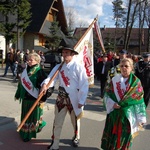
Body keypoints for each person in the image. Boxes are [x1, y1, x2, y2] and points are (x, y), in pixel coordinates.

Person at [40, 38, 89, 150]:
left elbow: (84, 84)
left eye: (66, 52)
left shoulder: (78, 67)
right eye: (63, 52)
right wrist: (45, 85)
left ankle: (76, 136)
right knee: (57, 122)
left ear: (72, 54)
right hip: (61, 97)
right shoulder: (59, 67)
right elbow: (51, 78)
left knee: (75, 120)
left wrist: (82, 100)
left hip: (74, 98)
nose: (64, 54)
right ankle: (55, 144)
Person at [101, 58, 147, 150]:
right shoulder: (114, 80)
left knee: (124, 137)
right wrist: (112, 104)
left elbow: (139, 100)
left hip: (128, 114)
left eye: (126, 66)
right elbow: (107, 94)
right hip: (114, 113)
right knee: (112, 135)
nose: (124, 68)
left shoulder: (136, 82)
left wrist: (141, 117)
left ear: (131, 68)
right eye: (122, 66)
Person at [14, 52, 49, 142]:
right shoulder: (25, 71)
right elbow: (21, 84)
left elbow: (45, 86)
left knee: (32, 118)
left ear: (37, 61)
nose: (29, 61)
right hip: (25, 98)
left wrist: (42, 99)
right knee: (25, 116)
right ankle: (27, 130)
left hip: (34, 99)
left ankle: (27, 135)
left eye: (31, 60)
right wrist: (18, 94)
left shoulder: (39, 72)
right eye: (28, 59)